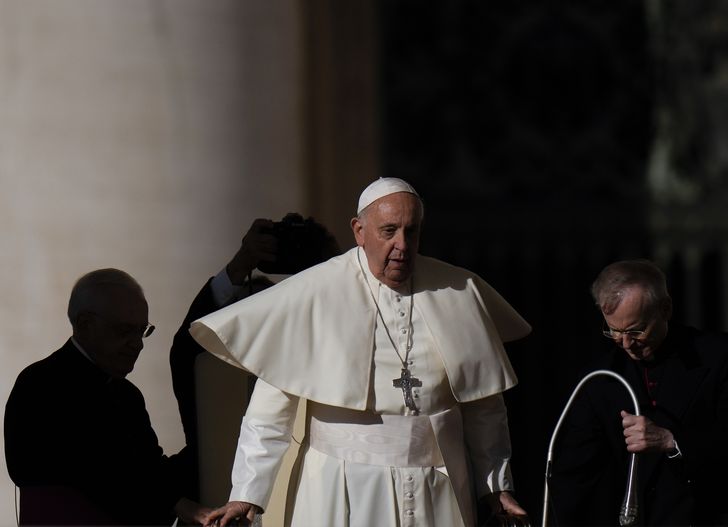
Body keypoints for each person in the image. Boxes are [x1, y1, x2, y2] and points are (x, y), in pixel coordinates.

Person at [189, 177, 532, 527]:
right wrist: (247, 494)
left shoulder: (459, 291)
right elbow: (268, 415)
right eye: (388, 231)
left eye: (410, 232)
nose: (401, 244)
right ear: (359, 230)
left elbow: (484, 407)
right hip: (341, 487)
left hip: (439, 488)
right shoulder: (314, 293)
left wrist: (496, 487)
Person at [549, 259, 728, 525]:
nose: (626, 343)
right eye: (614, 331)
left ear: (665, 309)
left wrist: (670, 441)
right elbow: (575, 473)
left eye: (636, 330)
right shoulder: (601, 378)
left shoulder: (717, 354)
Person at [4, 268, 210, 526]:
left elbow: (149, 470)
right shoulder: (40, 384)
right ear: (85, 325)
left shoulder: (127, 394)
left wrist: (212, 451)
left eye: (142, 331)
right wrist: (177, 502)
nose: (138, 344)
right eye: (124, 330)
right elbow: (92, 469)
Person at [169, 215, 340, 501]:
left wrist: (331, 268)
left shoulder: (317, 360)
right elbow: (189, 344)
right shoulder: (205, 369)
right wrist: (239, 266)